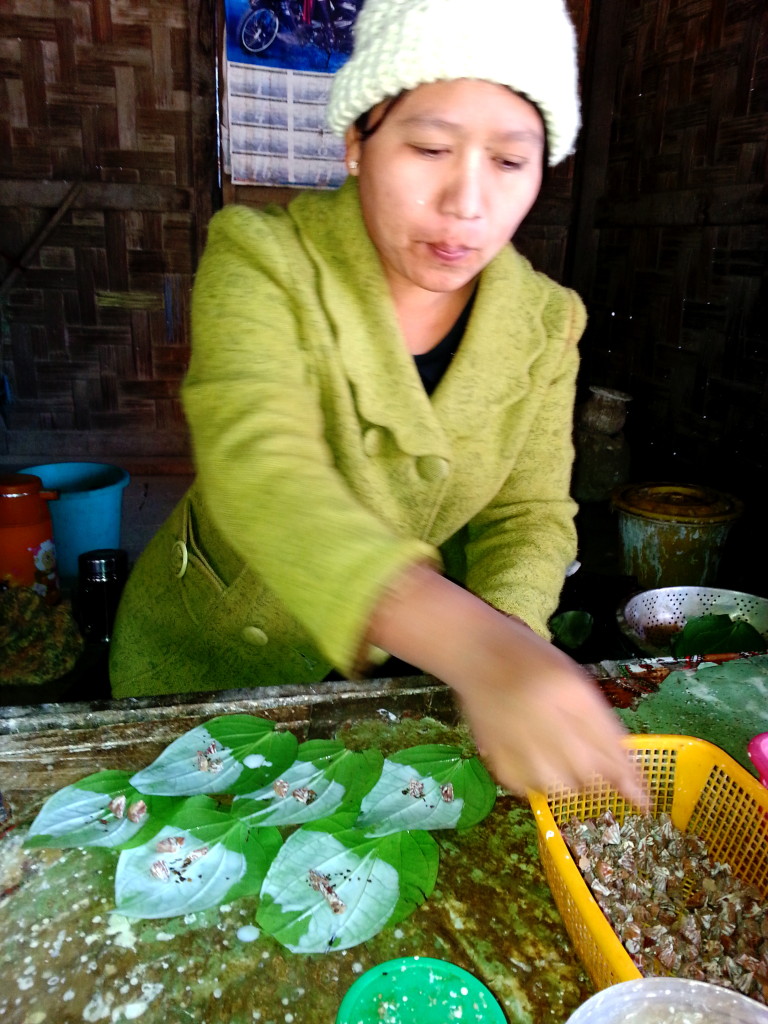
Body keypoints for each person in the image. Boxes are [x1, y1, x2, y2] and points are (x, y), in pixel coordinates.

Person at [110, 0, 645, 805]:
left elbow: (529, 513)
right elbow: (262, 470)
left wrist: (508, 643)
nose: (467, 204)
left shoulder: (544, 321)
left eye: (510, 161)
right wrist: (475, 647)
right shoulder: (263, 259)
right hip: (212, 663)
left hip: (409, 692)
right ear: (358, 139)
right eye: (430, 146)